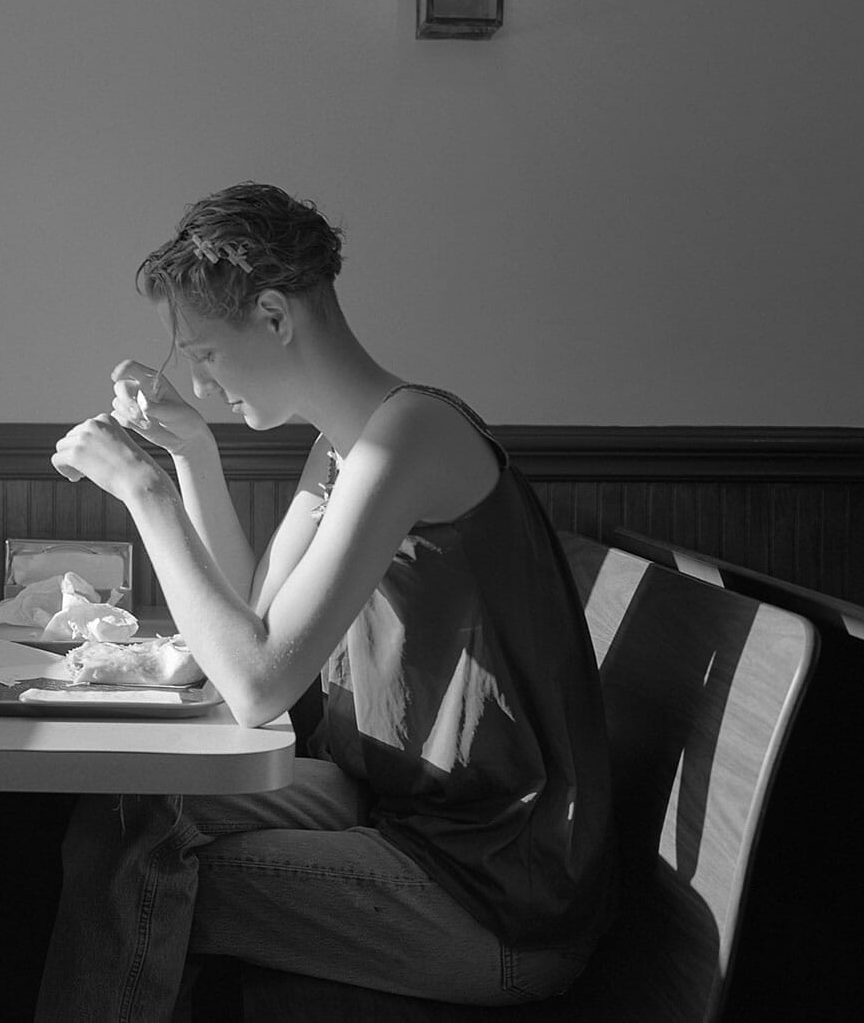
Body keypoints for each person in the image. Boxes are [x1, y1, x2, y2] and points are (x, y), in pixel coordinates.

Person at [38, 182, 617, 1021]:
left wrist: (141, 490)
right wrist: (193, 456)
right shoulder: (339, 451)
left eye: (203, 355)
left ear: (273, 316)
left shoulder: (408, 436)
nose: (200, 385)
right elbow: (246, 617)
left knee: (146, 872)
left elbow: (258, 683)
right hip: (399, 811)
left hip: (493, 887)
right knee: (129, 806)